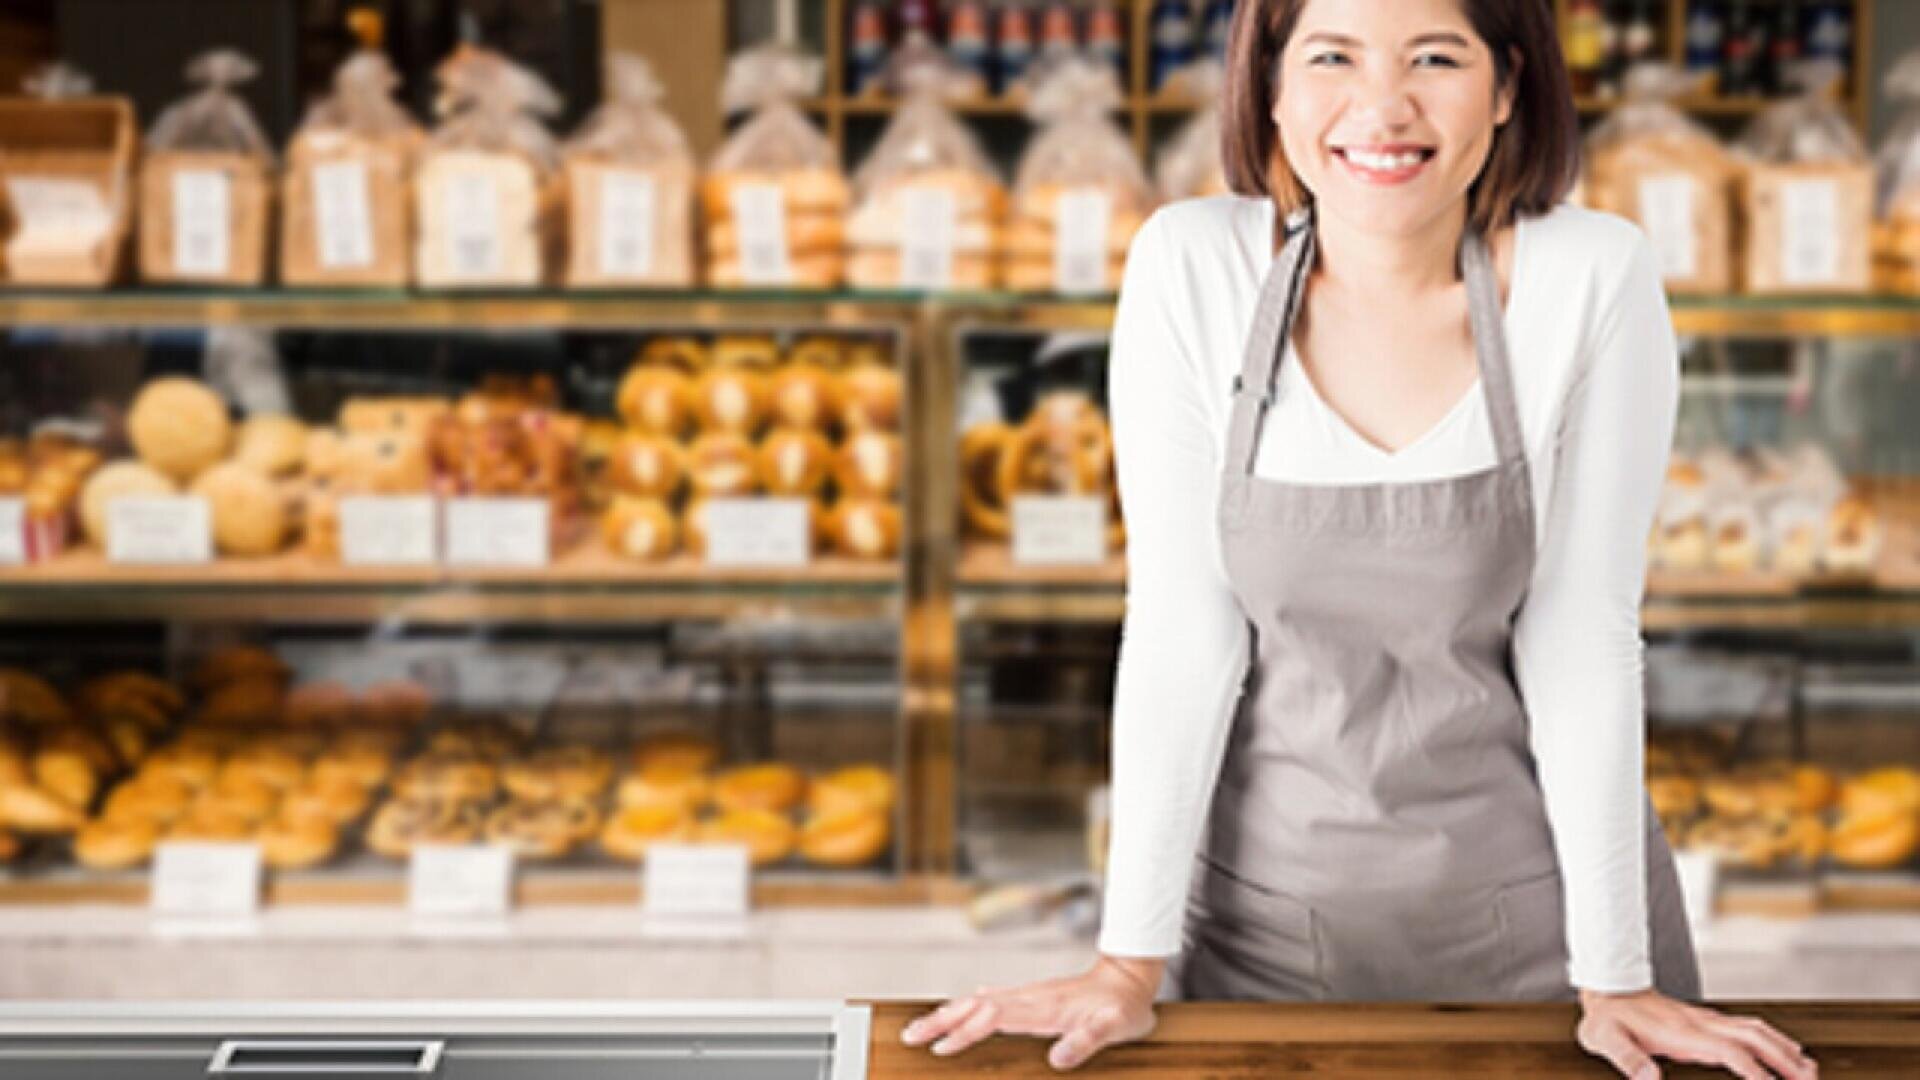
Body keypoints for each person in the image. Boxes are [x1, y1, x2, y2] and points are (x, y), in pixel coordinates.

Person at [902, 1, 1822, 1077]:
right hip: (1254, 939)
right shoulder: (1191, 267)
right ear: (1273, 89)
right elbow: (1180, 631)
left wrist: (1615, 972)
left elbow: (1582, 636)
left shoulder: (1590, 276)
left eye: (1436, 57)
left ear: (1510, 86)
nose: (1383, 108)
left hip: (1549, 947)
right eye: (1333, 57)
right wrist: (1125, 964)